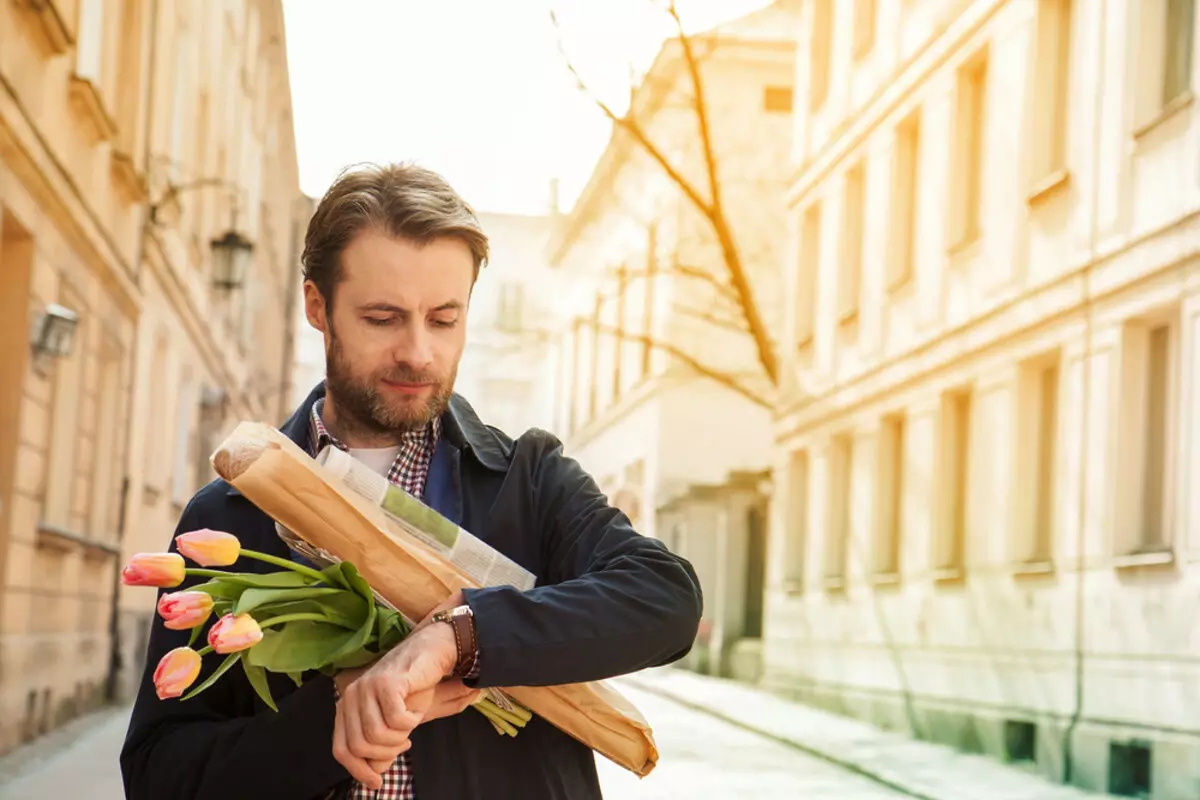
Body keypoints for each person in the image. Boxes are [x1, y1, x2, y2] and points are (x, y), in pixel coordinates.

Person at [120, 162, 704, 800]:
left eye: (445, 319)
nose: (419, 352)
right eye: (382, 317)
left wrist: (457, 638)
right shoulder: (231, 512)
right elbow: (157, 775)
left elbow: (666, 600)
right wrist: (336, 717)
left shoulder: (527, 480)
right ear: (318, 306)